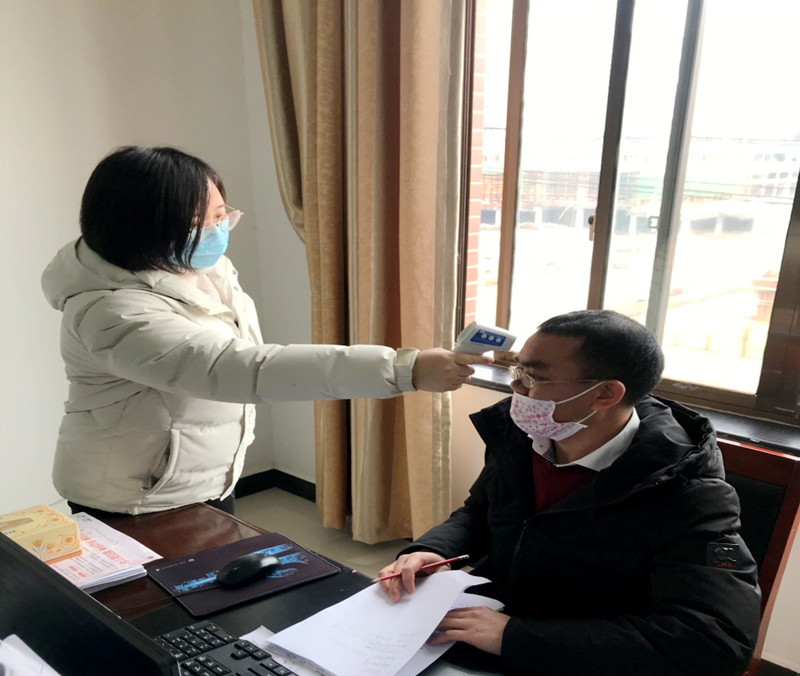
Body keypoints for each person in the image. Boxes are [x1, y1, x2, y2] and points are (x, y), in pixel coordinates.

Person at [42, 145, 490, 516]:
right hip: (130, 495)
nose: (219, 229)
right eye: (203, 222)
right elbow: (237, 368)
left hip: (200, 476)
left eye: (222, 214)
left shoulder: (200, 267)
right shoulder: (112, 312)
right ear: (149, 227)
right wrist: (402, 369)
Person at [378, 310, 760, 676]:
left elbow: (717, 642)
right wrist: (435, 549)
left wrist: (516, 636)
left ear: (605, 394)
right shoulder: (523, 436)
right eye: (518, 371)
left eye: (534, 377)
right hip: (495, 629)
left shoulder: (687, 494)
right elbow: (481, 511)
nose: (516, 388)